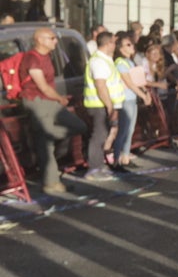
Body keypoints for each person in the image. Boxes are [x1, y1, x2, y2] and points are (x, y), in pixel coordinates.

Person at [17, 28, 88, 195]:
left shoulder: (46, 56)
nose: (56, 41)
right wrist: (60, 99)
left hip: (49, 102)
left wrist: (56, 99)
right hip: (38, 102)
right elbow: (42, 86)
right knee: (45, 147)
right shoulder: (32, 58)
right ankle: (51, 183)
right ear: (40, 40)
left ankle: (49, 136)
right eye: (52, 38)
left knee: (79, 126)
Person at [83, 31, 127, 181]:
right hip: (99, 104)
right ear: (108, 43)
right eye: (114, 43)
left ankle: (99, 166)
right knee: (99, 136)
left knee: (104, 135)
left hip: (106, 104)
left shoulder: (106, 60)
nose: (115, 46)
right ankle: (94, 169)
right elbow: (101, 86)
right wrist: (110, 106)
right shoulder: (98, 61)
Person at [112, 32, 151, 170]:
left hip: (132, 99)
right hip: (125, 99)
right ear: (120, 48)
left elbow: (138, 80)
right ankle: (116, 160)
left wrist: (146, 92)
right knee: (123, 130)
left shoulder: (130, 61)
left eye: (131, 44)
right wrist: (143, 95)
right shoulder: (119, 62)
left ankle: (126, 158)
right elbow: (129, 82)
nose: (131, 46)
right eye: (127, 45)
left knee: (130, 130)